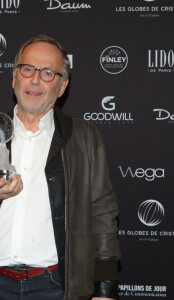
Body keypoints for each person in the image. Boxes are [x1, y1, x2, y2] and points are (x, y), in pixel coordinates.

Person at [0, 34, 121, 300]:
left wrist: (104, 289)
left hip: (54, 286)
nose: (34, 80)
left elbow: (101, 214)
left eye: (47, 73)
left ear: (62, 85)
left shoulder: (84, 137)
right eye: (28, 69)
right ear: (14, 77)